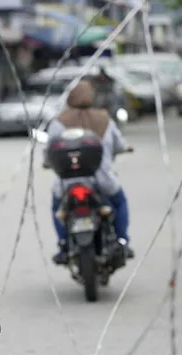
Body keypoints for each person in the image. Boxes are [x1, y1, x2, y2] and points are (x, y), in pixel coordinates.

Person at [46, 80, 135, 265]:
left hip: (66, 183)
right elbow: (118, 144)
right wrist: (125, 148)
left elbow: (49, 153)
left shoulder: (58, 122)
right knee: (119, 202)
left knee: (57, 207)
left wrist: (47, 163)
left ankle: (63, 243)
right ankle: (121, 240)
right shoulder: (104, 119)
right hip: (101, 181)